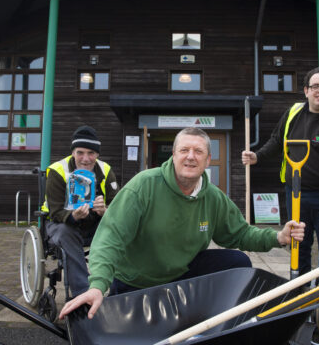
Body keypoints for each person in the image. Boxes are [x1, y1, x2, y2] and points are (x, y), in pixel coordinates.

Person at [59, 127, 305, 320]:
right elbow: (110, 237)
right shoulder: (143, 186)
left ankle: (211, 319)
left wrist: (278, 238)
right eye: (184, 150)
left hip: (180, 274)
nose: (190, 156)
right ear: (173, 155)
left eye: (198, 152)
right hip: (136, 280)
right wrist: (98, 286)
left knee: (238, 262)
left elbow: (239, 234)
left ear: (208, 160)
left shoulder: (213, 197)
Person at [241, 67, 319, 276]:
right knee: (299, 245)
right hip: (295, 193)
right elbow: (278, 141)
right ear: (306, 90)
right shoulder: (293, 113)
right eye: (315, 86)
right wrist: (257, 156)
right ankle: (299, 291)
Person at [42, 125, 119, 296]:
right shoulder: (57, 171)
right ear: (73, 152)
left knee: (121, 227)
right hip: (61, 223)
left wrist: (106, 210)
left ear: (97, 154)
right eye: (80, 152)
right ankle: (83, 293)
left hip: (93, 223)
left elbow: (118, 205)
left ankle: (120, 287)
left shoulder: (105, 170)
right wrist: (72, 216)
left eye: (91, 153)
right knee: (65, 231)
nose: (86, 159)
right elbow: (55, 211)